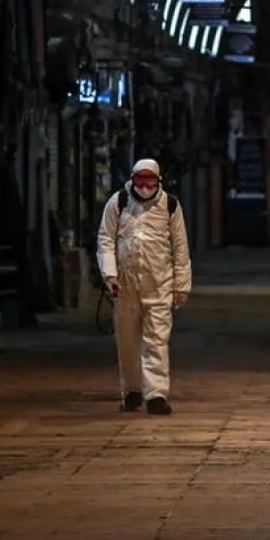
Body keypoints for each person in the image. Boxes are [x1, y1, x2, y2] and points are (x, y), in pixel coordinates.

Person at [97, 158, 192, 415]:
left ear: (158, 181)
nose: (146, 186)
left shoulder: (169, 206)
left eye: (150, 181)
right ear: (133, 180)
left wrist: (181, 286)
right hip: (125, 287)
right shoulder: (118, 203)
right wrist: (110, 275)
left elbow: (180, 247)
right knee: (127, 341)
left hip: (158, 285)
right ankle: (132, 390)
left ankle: (156, 394)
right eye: (141, 181)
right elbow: (105, 239)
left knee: (156, 341)